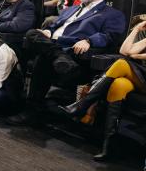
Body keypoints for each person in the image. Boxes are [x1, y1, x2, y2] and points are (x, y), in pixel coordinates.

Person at [7, 0, 126, 126]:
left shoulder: (112, 14)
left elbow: (111, 36)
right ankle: (58, 57)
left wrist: (89, 40)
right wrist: (48, 32)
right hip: (57, 50)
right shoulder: (72, 9)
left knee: (43, 57)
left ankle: (32, 110)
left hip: (74, 54)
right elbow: (54, 27)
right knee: (32, 34)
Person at [59, 20, 146, 161]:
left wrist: (137, 56)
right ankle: (109, 146)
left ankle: (81, 106)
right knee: (119, 84)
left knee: (121, 64)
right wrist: (136, 29)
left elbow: (132, 55)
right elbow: (124, 51)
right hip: (141, 76)